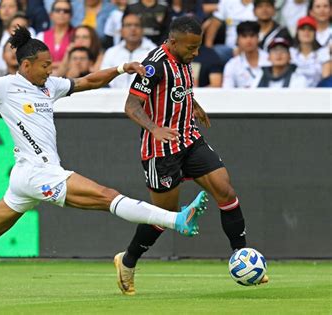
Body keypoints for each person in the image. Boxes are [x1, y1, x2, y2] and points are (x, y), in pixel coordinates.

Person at [0, 26, 208, 270]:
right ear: (26, 65)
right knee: (106, 196)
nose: (51, 69)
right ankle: (176, 219)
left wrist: (122, 68)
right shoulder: (5, 87)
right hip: (39, 172)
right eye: (45, 65)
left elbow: (87, 81)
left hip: (26, 174)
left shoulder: (48, 86)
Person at [114, 16, 268, 296]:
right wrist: (154, 128)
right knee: (165, 215)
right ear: (173, 42)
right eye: (191, 47)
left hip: (189, 138)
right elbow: (131, 105)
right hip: (161, 151)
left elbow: (175, 90)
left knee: (226, 190)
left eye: (198, 47)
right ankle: (127, 260)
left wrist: (191, 103)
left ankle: (242, 257)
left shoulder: (182, 58)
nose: (196, 53)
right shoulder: (154, 65)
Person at [101, 12, 156, 88]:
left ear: (142, 30)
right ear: (121, 31)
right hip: (112, 97)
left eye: (137, 25)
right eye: (128, 25)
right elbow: (103, 79)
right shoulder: (111, 52)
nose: (133, 29)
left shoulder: (153, 52)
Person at [222, 21, 270, 88]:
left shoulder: (270, 60)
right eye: (244, 36)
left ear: (258, 38)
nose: (249, 40)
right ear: (237, 39)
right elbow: (227, 91)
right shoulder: (232, 65)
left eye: (252, 35)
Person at [289, 16, 330, 87]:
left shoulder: (323, 52)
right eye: (303, 29)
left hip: (318, 91)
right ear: (297, 32)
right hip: (293, 91)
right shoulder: (290, 52)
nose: (306, 32)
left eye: (310, 29)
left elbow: (325, 77)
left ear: (315, 33)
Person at [36, 0, 74, 72]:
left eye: (66, 11)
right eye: (57, 10)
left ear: (71, 16)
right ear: (51, 15)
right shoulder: (41, 36)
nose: (61, 13)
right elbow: (36, 61)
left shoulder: (77, 35)